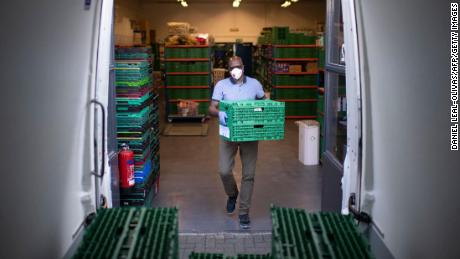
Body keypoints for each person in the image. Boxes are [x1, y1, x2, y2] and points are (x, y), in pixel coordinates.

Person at [209, 56, 265, 229]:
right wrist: (219, 114)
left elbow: (263, 104)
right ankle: (232, 194)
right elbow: (211, 107)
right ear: (228, 68)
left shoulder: (255, 84)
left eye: (238, 67)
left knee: (248, 175)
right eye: (232, 68)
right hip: (229, 134)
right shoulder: (221, 85)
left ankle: (244, 212)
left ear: (243, 66)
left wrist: (260, 115)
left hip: (249, 134)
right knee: (224, 170)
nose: (235, 70)